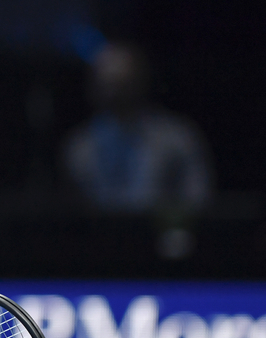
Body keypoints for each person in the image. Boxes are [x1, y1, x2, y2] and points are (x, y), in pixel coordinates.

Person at [61, 41, 213, 213]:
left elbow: (197, 201)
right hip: (97, 237)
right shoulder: (79, 148)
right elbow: (70, 213)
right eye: (108, 83)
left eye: (122, 83)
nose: (115, 92)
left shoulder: (177, 139)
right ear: (93, 85)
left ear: (141, 81)